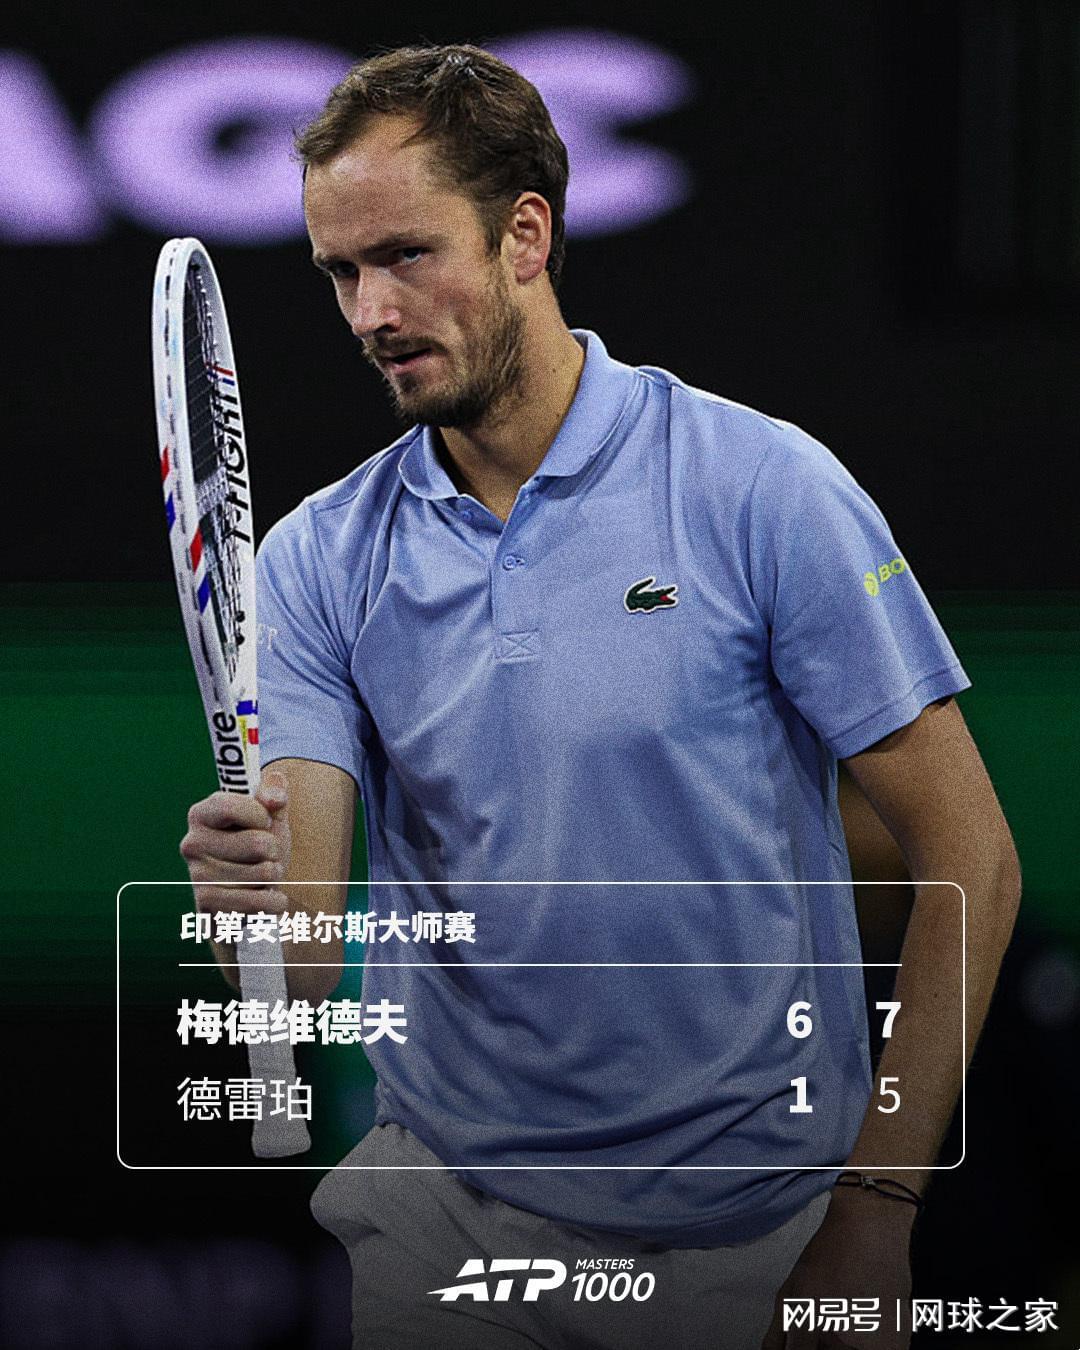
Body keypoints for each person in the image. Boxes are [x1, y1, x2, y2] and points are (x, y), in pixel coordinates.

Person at [180, 44, 1021, 1350]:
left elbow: (973, 855)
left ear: (525, 235)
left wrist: (877, 1204)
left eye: (406, 255)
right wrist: (240, 910)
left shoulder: (764, 489)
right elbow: (298, 966)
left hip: (762, 1232)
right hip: (449, 1227)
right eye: (340, 272)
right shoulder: (317, 560)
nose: (370, 312)